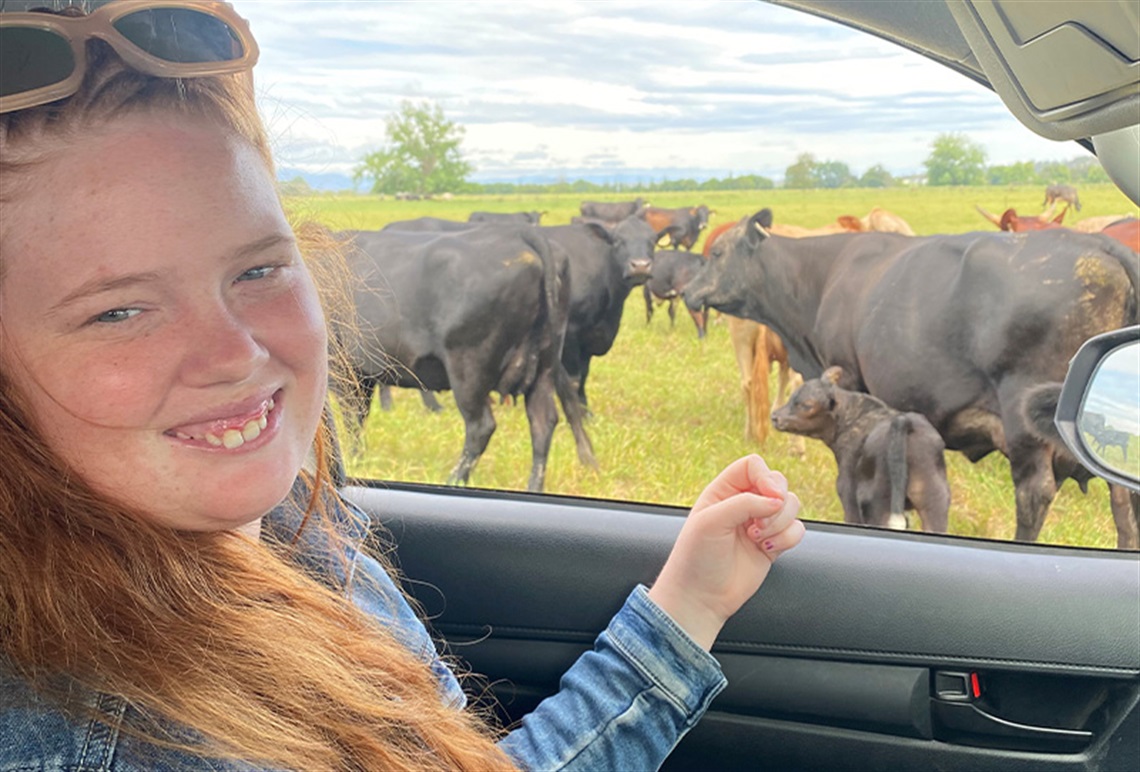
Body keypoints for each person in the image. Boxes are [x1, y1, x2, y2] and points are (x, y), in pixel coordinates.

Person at [0, 2, 805, 770]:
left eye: (258, 268)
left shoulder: (294, 526)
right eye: (119, 311)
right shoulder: (106, 736)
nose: (236, 353)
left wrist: (687, 608)